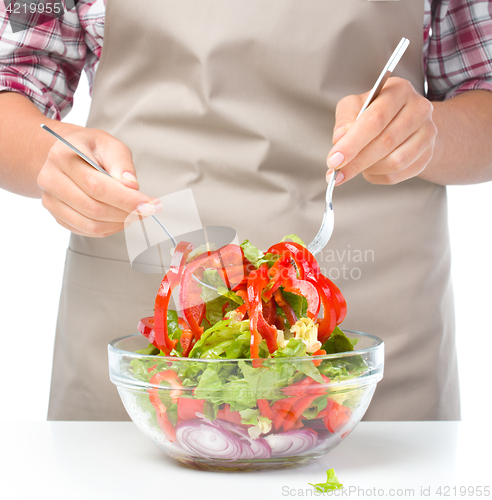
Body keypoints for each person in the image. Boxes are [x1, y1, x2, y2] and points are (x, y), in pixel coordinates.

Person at [1, 0, 491, 421]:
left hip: (372, 336)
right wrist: (50, 159)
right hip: (143, 328)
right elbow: (13, 84)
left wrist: (430, 134)